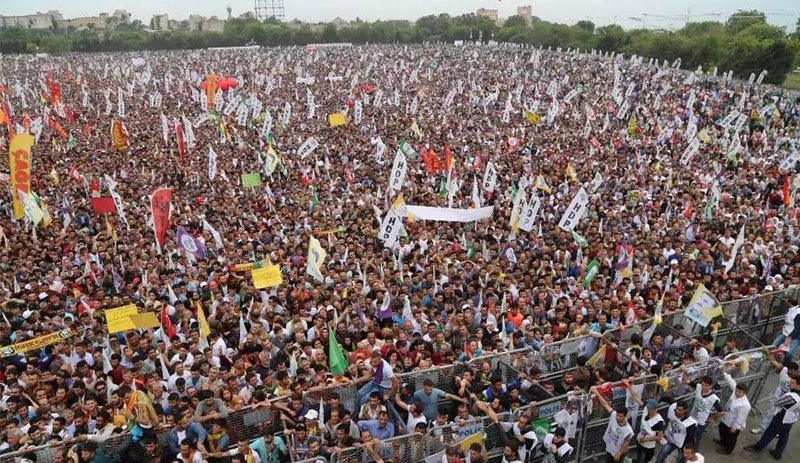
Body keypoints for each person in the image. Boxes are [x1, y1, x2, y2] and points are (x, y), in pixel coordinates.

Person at [743, 375, 800, 460]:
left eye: (792, 383)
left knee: (769, 433)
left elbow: (777, 402)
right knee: (784, 437)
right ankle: (778, 454)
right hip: (791, 418)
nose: (789, 384)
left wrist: (782, 395)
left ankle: (757, 447)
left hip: (782, 418)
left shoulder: (792, 396)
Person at [752, 348, 799, 434]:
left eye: (792, 371)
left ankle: (777, 432)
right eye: (789, 370)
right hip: (778, 397)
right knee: (770, 412)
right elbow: (773, 361)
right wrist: (767, 352)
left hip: (788, 402)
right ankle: (762, 428)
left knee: (781, 418)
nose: (789, 372)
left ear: (797, 371)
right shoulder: (784, 370)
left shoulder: (798, 379)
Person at [712, 365, 751, 455]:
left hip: (733, 424)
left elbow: (741, 418)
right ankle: (722, 442)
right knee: (721, 429)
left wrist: (734, 427)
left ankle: (728, 450)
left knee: (731, 438)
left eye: (740, 392)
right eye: (737, 390)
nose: (737, 392)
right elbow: (731, 382)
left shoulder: (745, 405)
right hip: (726, 419)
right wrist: (725, 373)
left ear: (744, 393)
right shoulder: (735, 392)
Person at [591, 385, 634, 463]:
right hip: (610, 448)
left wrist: (619, 453)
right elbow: (605, 405)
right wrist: (596, 392)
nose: (617, 417)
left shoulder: (628, 430)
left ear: (625, 416)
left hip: (618, 453)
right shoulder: (613, 414)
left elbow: (626, 444)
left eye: (620, 416)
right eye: (617, 415)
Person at [770, 297, 800, 364]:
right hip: (785, 333)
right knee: (773, 346)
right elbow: (789, 323)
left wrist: (789, 337)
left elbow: (797, 328)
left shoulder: (798, 312)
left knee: (789, 353)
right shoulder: (791, 310)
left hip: (796, 336)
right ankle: (776, 363)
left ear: (789, 303)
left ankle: (786, 365)